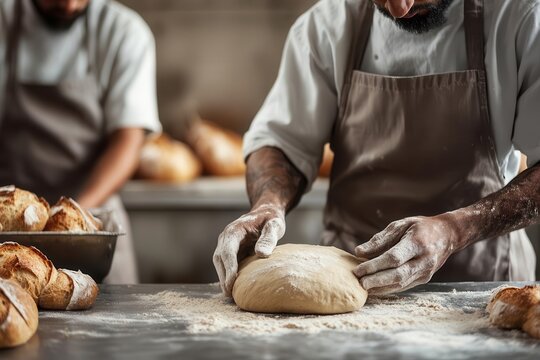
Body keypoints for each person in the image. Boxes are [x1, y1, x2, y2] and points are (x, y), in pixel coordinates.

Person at [213, 0, 540, 296]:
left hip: (483, 289)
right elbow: (282, 143)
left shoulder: (519, 18)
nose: (399, 8)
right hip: (352, 280)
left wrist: (455, 228)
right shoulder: (329, 25)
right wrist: (267, 205)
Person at [0, 0, 161, 283]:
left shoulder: (123, 32)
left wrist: (70, 220)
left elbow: (128, 141)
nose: (70, 5)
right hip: (9, 235)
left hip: (91, 226)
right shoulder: (4, 21)